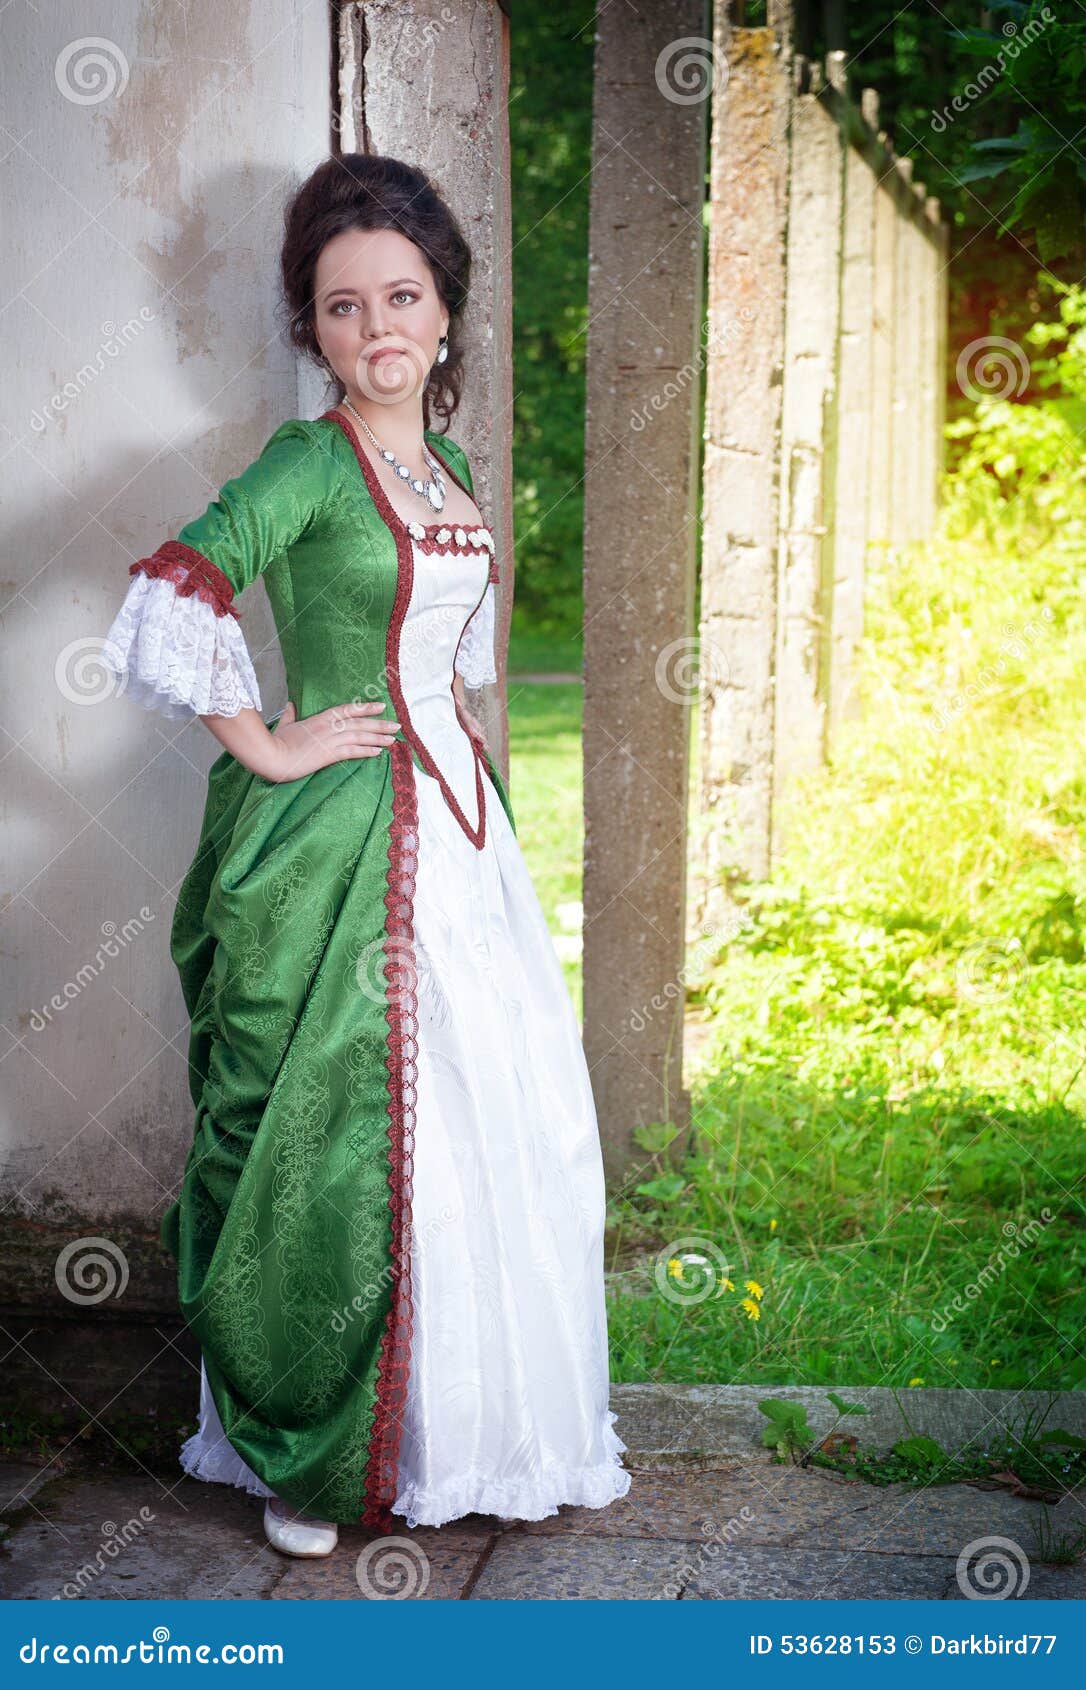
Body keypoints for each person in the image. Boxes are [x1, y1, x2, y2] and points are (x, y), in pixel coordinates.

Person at [98, 153, 631, 1557]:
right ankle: (314, 1448)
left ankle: (461, 1427)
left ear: (446, 310)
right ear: (313, 328)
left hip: (462, 842)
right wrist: (269, 745)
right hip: (339, 840)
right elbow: (176, 583)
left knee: (492, 1127)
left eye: (401, 296)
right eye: (342, 307)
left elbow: (463, 665)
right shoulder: (306, 464)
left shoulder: (443, 466)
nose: (376, 328)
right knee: (326, 1136)